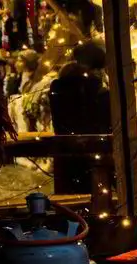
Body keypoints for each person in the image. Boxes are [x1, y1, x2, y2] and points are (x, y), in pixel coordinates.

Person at [50, 40, 111, 194]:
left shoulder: (59, 87)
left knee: (70, 202)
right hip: (94, 157)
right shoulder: (97, 91)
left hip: (65, 156)